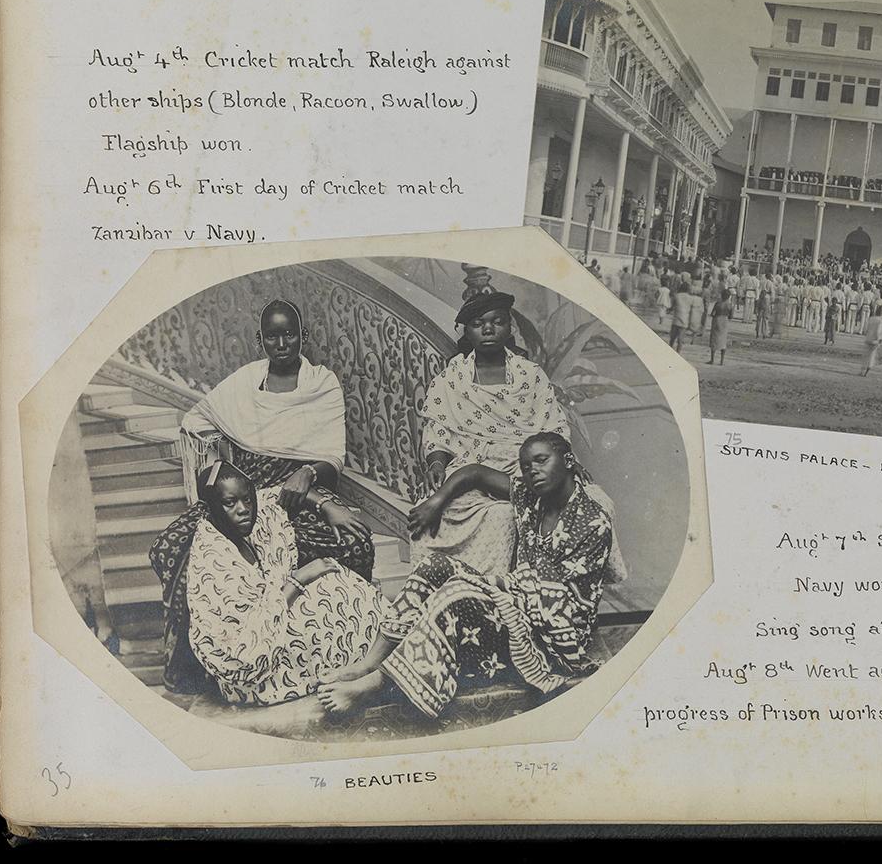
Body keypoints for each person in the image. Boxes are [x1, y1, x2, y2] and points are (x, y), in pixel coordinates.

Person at [149, 299, 373, 694]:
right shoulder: (246, 382)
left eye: (290, 334)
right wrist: (221, 476)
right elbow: (196, 422)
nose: (282, 342)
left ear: (303, 336)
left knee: (353, 540)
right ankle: (200, 663)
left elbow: (333, 458)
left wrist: (306, 474)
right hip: (245, 493)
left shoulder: (322, 384)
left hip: (299, 493)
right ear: (261, 339)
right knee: (173, 545)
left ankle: (337, 646)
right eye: (273, 335)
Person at [315, 433, 614, 720]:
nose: (532, 471)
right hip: (518, 605)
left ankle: (375, 684)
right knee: (436, 566)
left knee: (458, 593)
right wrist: (437, 500)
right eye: (525, 466)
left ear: (568, 461)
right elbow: (475, 473)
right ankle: (369, 663)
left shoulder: (591, 523)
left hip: (553, 637)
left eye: (541, 460)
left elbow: (561, 601)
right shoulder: (530, 496)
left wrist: (493, 585)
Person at [185, 461, 384, 706]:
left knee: (335, 581)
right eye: (230, 503)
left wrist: (327, 505)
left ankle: (372, 658)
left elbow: (278, 495)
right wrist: (300, 579)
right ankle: (363, 667)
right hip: (255, 671)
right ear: (209, 509)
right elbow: (241, 652)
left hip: (275, 624)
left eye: (247, 499)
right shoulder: (212, 558)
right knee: (324, 596)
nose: (243, 509)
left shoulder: (251, 521)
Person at [416, 290, 571, 575]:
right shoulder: (452, 378)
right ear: (467, 331)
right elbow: (438, 430)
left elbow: (554, 429)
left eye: (497, 321)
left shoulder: (530, 375)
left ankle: (497, 592)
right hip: (468, 466)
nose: (488, 329)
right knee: (439, 514)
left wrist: (561, 464)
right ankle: (452, 584)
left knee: (504, 514)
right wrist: (437, 462)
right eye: (478, 323)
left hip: (521, 466)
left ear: (509, 326)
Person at [861, 304, 882, 376]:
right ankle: (866, 372)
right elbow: (879, 330)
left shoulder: (871, 318)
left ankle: (862, 370)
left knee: (866, 355)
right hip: (875, 340)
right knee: (872, 356)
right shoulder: (880, 320)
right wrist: (879, 339)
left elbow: (866, 328)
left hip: (868, 338)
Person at [709, 290, 732, 365]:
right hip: (725, 321)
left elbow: (712, 313)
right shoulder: (730, 305)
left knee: (714, 339)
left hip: (717, 319)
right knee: (723, 340)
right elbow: (731, 316)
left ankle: (712, 359)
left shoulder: (718, 303)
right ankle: (721, 361)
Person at [670, 280, 694, 352]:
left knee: (672, 338)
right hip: (685, 320)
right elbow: (691, 310)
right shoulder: (691, 298)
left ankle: (669, 351)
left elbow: (672, 306)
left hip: (676, 319)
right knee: (680, 340)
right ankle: (678, 353)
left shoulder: (676, 296)